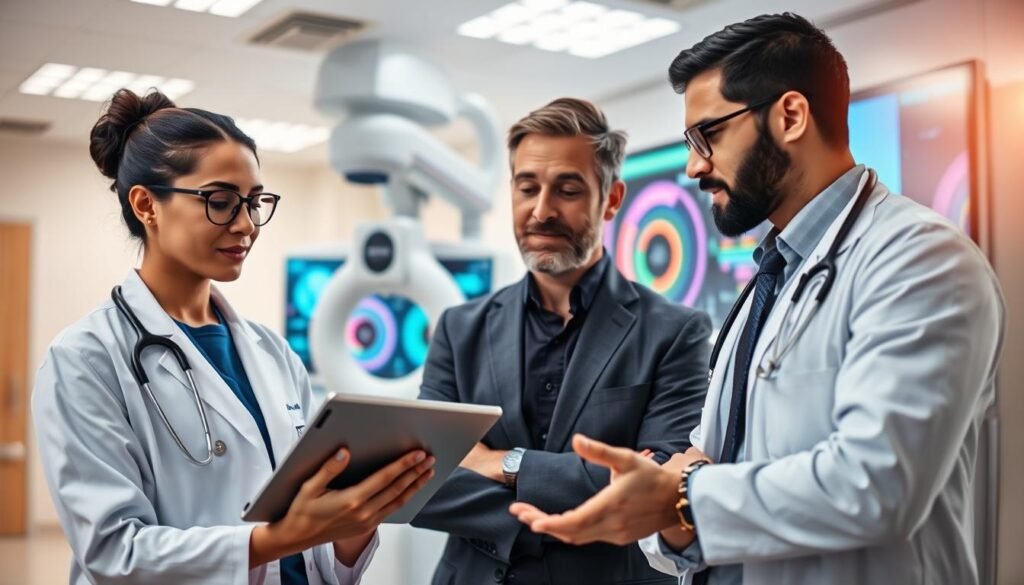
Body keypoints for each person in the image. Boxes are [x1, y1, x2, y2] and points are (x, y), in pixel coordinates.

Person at [510, 13, 1006, 585]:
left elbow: (875, 485)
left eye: (709, 135)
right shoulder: (772, 280)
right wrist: (672, 513)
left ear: (790, 116)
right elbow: (699, 469)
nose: (694, 165)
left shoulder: (919, 260)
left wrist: (684, 496)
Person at [32, 88, 436, 585]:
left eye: (254, 202)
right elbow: (114, 552)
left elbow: (314, 553)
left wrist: (353, 521)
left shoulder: (273, 353)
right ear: (146, 205)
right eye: (220, 202)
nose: (246, 225)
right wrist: (277, 540)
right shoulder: (85, 359)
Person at [409, 97, 711, 585]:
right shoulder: (459, 329)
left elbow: (659, 486)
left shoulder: (675, 333)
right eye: (527, 188)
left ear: (611, 199)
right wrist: (571, 499)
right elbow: (418, 483)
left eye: (567, 190)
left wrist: (502, 464)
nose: (542, 210)